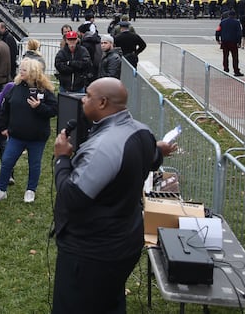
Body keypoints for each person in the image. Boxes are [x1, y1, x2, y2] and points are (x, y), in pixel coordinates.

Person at [51, 78, 176, 313]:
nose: (82, 100)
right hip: (125, 240)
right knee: (109, 299)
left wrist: (62, 159)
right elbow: (153, 158)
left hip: (92, 252)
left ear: (103, 102)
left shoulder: (103, 147)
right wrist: (160, 149)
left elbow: (71, 198)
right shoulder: (142, 131)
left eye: (87, 96)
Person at [0, 58, 57, 204]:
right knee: (7, 161)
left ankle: (30, 190)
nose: (20, 72)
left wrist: (39, 107)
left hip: (37, 137)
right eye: (20, 69)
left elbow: (54, 110)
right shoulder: (15, 87)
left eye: (24, 70)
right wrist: (3, 126)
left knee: (34, 164)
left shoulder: (45, 90)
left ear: (33, 72)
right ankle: (1, 189)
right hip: (16, 136)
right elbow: (5, 108)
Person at [214, 10, 244, 76]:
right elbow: (239, 33)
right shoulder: (237, 22)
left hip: (224, 41)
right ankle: (236, 71)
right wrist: (239, 42)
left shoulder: (223, 22)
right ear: (235, 15)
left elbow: (218, 30)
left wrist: (217, 39)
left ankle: (226, 69)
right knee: (235, 57)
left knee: (225, 56)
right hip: (233, 42)